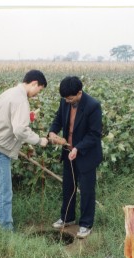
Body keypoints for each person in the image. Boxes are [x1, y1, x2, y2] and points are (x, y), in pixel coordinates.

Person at [0, 70, 49, 231]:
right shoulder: (21, 100)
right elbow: (19, 130)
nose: (36, 94)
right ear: (33, 83)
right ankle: (6, 229)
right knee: (4, 191)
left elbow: (4, 115)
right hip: (0, 150)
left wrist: (28, 117)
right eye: (38, 90)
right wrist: (39, 140)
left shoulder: (8, 93)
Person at [49, 76, 102, 238]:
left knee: (86, 190)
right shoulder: (65, 102)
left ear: (79, 93)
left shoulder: (93, 106)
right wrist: (52, 132)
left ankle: (86, 224)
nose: (67, 101)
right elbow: (58, 120)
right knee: (68, 187)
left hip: (86, 154)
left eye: (70, 98)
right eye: (65, 98)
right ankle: (67, 218)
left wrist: (78, 148)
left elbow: (94, 134)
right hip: (68, 151)